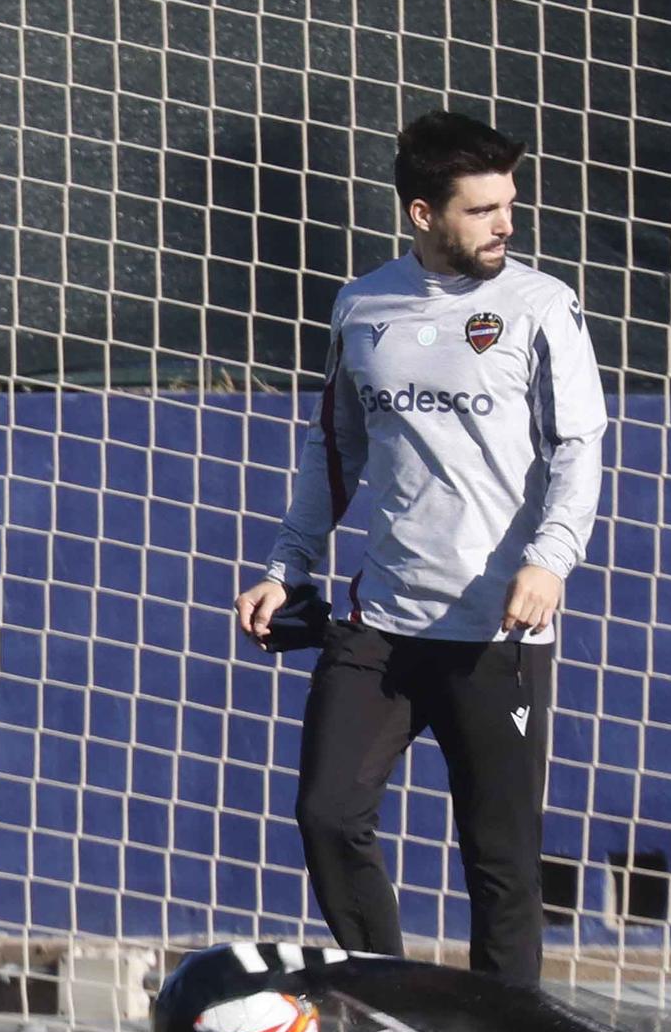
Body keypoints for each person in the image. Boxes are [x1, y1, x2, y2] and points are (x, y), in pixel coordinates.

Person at [233, 109, 607, 984]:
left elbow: (578, 447)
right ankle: (394, 1012)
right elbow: (335, 450)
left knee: (501, 864)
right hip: (382, 626)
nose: (504, 224)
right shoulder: (364, 305)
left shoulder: (541, 307)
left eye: (508, 205)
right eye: (480, 210)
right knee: (328, 815)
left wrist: (550, 558)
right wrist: (289, 567)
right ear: (422, 213)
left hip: (497, 634)